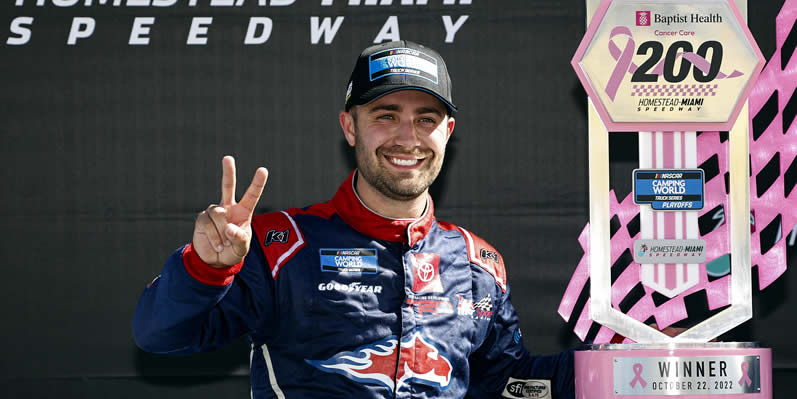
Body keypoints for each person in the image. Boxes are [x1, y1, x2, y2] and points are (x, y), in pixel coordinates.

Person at [133, 40, 574, 398]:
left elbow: (510, 384)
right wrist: (204, 269)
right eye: (386, 116)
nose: (408, 138)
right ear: (350, 127)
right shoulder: (279, 245)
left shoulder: (479, 265)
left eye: (426, 119)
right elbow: (160, 336)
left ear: (447, 133)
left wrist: (616, 367)